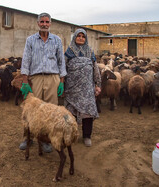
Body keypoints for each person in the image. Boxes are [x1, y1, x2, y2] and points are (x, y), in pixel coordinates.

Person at [19, 13, 67, 152]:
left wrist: (62, 81)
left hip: (53, 78)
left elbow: (61, 61)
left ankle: (46, 140)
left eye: (47, 22)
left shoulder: (57, 40)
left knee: (50, 110)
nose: (44, 24)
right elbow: (26, 60)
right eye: (42, 22)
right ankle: (28, 138)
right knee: (31, 109)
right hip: (36, 78)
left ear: (50, 23)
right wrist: (25, 81)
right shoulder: (31, 40)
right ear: (38, 23)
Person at [64, 28, 101, 147]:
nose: (80, 38)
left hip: (87, 89)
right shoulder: (69, 51)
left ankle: (86, 136)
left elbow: (95, 68)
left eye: (83, 36)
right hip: (72, 88)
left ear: (85, 39)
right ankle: (70, 135)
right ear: (74, 37)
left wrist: (98, 84)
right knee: (71, 113)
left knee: (88, 113)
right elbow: (63, 69)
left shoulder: (90, 51)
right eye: (78, 36)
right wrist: (62, 84)